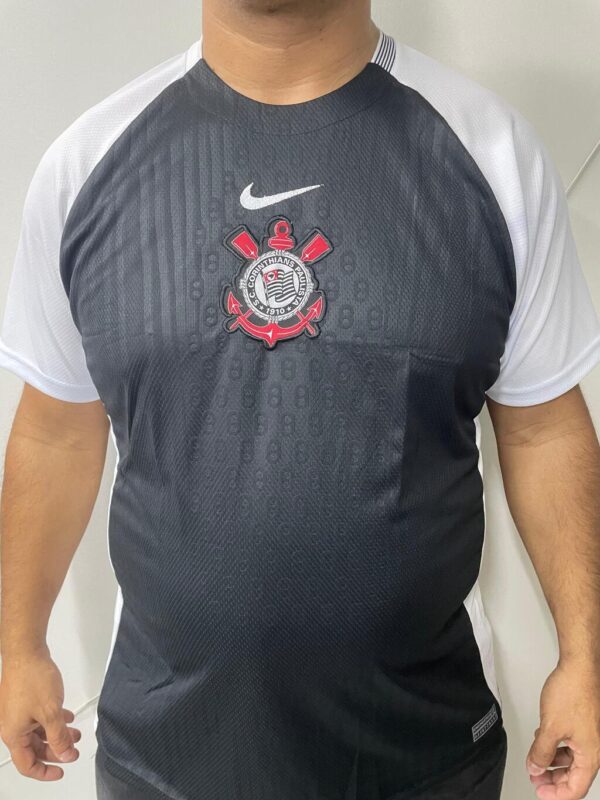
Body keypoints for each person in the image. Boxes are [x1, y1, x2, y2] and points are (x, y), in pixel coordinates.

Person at [1, 1, 600, 798]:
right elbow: (55, 433)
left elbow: (544, 429)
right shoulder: (86, 166)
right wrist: (17, 646)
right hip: (164, 760)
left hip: (424, 759)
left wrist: (587, 655)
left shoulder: (493, 154)